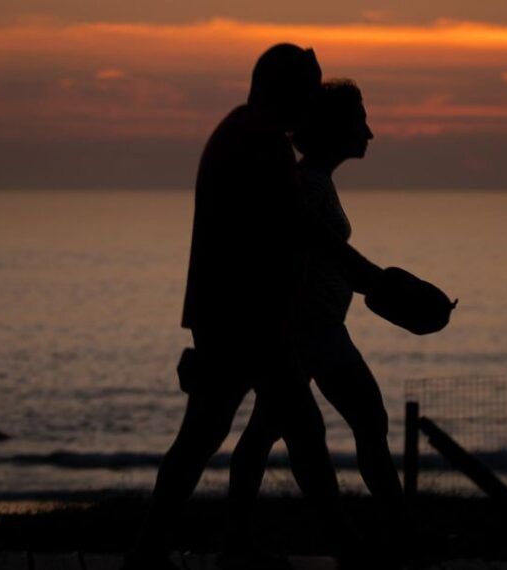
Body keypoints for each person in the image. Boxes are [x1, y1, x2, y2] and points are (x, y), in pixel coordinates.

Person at [124, 44, 385, 570]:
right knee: (297, 434)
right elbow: (301, 229)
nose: (313, 102)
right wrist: (375, 278)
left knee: (205, 435)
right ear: (284, 89)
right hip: (248, 321)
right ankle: (345, 549)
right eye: (308, 89)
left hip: (236, 317)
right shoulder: (259, 141)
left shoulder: (243, 134)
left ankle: (165, 548)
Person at [225, 80, 421, 559]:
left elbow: (324, 260)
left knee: (276, 433)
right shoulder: (305, 185)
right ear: (335, 129)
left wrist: (372, 288)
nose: (369, 133)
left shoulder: (314, 181)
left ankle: (239, 540)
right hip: (306, 333)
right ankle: (394, 533)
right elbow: (313, 251)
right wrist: (378, 284)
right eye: (360, 121)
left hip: (321, 329)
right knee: (353, 421)